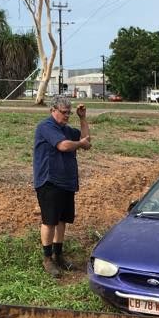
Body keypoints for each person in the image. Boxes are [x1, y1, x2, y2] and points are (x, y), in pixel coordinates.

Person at [33, 94, 92, 277]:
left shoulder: (66, 129)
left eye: (68, 113)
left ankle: (59, 255)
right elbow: (64, 146)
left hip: (66, 181)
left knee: (62, 220)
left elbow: (86, 140)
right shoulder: (45, 127)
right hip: (49, 181)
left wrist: (82, 118)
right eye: (63, 113)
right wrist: (80, 144)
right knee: (49, 221)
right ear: (53, 111)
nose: (67, 116)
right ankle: (47, 258)